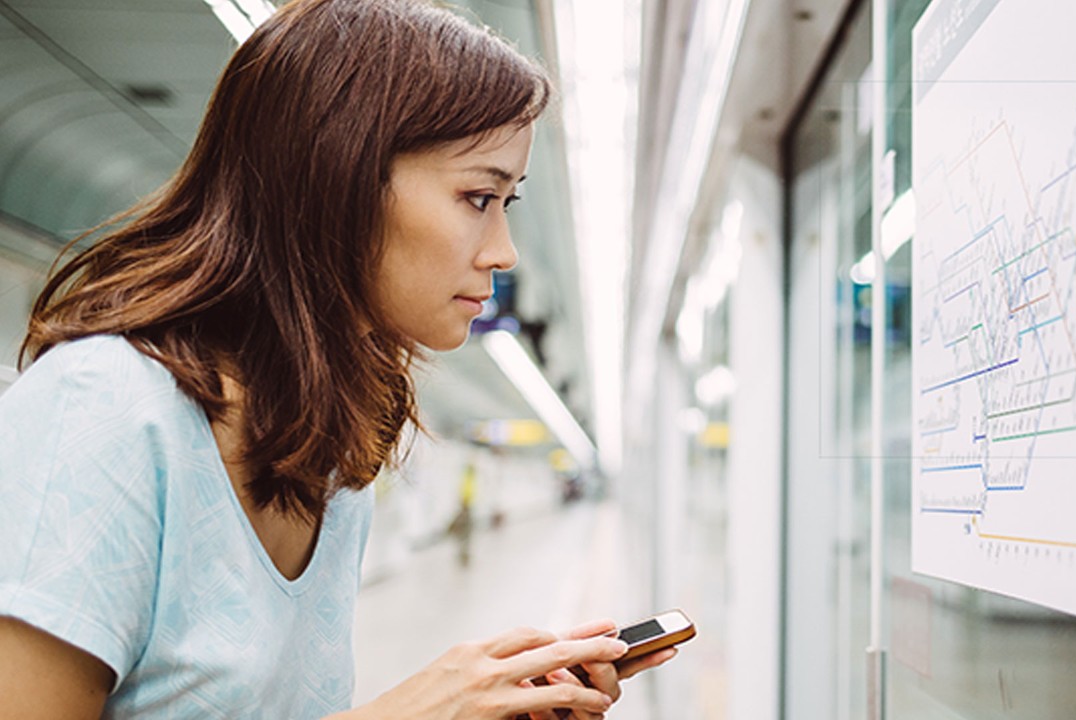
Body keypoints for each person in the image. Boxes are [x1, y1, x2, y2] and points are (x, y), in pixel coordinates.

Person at [0, 1, 674, 718]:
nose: (503, 251)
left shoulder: (330, 452)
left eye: (508, 201)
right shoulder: (102, 409)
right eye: (479, 196)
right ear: (339, 179)